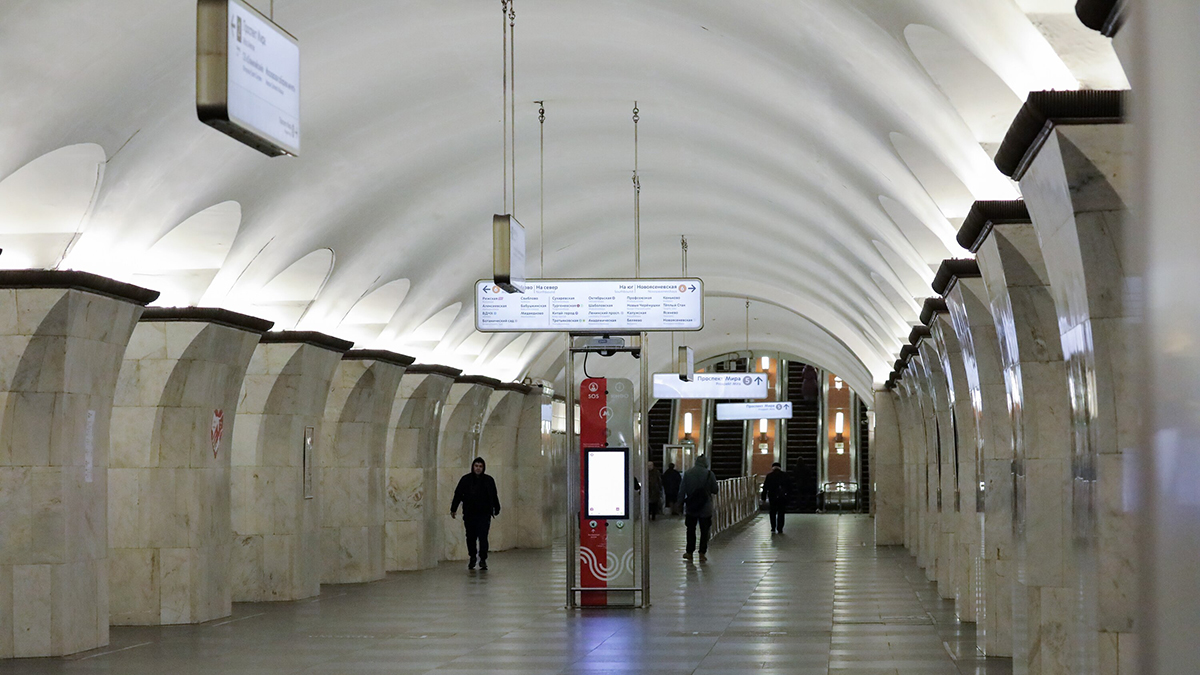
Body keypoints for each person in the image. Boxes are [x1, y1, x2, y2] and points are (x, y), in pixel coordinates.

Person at [450, 456, 501, 571]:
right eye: (476, 466)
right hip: (470, 514)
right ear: (473, 467)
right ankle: (472, 556)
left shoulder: (489, 480)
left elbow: (494, 495)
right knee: (471, 537)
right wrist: (454, 508)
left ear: (483, 468)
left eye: (480, 466)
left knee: (483, 537)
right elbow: (458, 494)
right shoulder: (466, 480)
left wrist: (496, 508)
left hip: (484, 514)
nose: (478, 468)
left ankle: (483, 558)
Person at [677, 454, 719, 562]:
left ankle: (689, 552)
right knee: (705, 531)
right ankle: (702, 553)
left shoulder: (688, 473)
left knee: (690, 529)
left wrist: (679, 504)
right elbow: (715, 489)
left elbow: (682, 490)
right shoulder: (710, 474)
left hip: (691, 506)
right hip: (705, 507)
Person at [761, 462, 792, 534]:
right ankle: (780, 528)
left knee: (772, 512)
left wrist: (763, 497)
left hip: (772, 497)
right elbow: (789, 487)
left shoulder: (769, 476)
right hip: (782, 497)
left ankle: (773, 527)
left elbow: (765, 487)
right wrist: (788, 496)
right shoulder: (785, 475)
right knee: (781, 512)